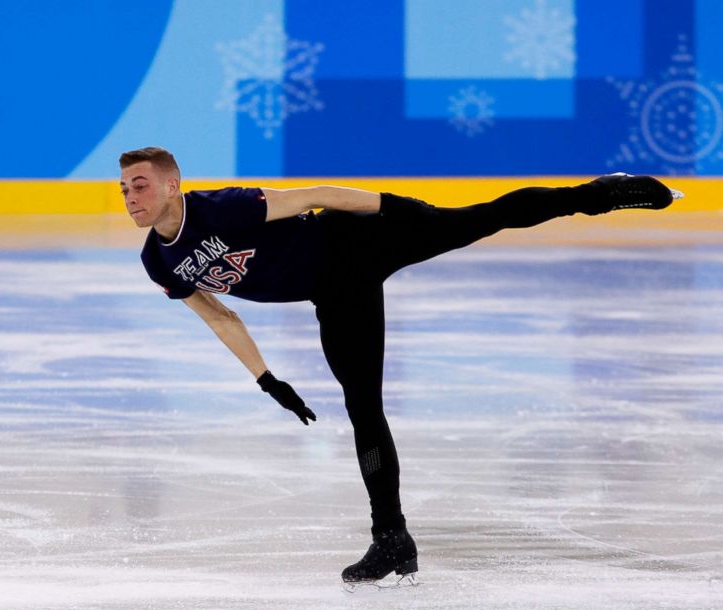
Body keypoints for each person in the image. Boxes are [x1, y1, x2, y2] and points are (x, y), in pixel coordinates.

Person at [119, 146, 681, 585]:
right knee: (364, 406)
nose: (130, 196)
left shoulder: (224, 207)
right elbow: (218, 317)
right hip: (335, 293)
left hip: (358, 240)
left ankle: (600, 193)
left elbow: (321, 194)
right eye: (123, 188)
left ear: (173, 184)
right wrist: (267, 379)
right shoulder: (158, 260)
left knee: (480, 219)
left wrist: (395, 207)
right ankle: (391, 539)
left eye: (139, 184)